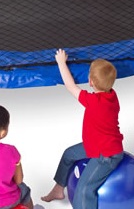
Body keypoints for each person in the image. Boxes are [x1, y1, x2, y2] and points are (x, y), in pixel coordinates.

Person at [41, 49, 124, 209]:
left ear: (91, 82)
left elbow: (70, 86)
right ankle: (59, 189)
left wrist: (61, 62)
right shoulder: (112, 96)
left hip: (107, 155)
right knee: (69, 154)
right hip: (96, 144)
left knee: (84, 189)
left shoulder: (94, 102)